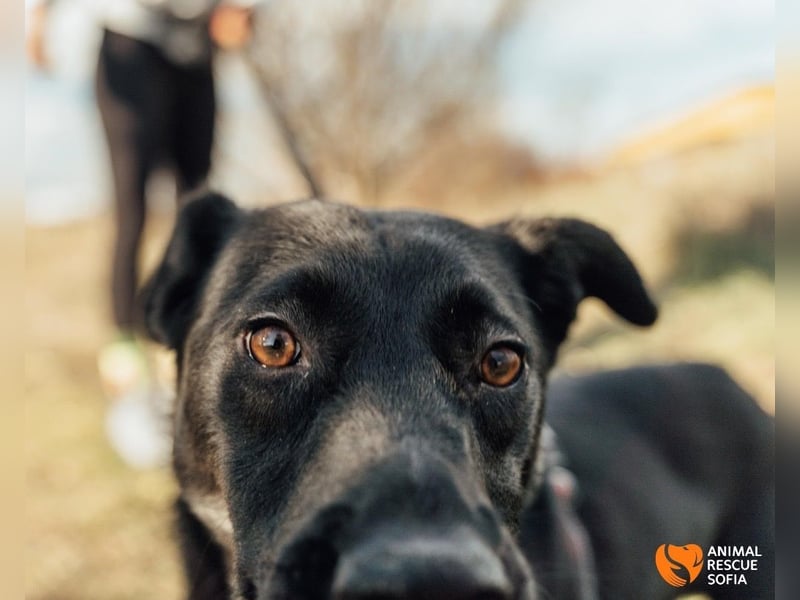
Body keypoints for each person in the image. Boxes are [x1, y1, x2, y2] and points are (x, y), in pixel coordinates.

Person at [27, 0, 258, 467]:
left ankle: (189, 338)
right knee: (131, 208)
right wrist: (39, 19)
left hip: (195, 46)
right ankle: (125, 354)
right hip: (130, 40)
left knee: (198, 210)